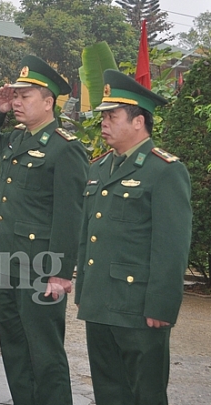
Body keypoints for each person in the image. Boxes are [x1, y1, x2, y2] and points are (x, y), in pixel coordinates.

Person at [74, 69, 192, 405]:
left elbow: (171, 247)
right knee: (109, 390)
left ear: (138, 121)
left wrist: (161, 305)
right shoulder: (98, 169)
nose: (104, 123)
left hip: (139, 306)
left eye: (112, 116)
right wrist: (85, 290)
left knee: (147, 392)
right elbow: (88, 236)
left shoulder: (165, 171)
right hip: (100, 302)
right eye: (103, 116)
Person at [0, 55, 88, 405]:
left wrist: (59, 273)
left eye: (25, 96)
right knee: (13, 344)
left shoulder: (65, 149)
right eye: (16, 96)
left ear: (48, 101)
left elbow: (71, 216)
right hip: (7, 261)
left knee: (44, 348)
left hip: (40, 267)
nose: (18, 102)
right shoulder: (14, 140)